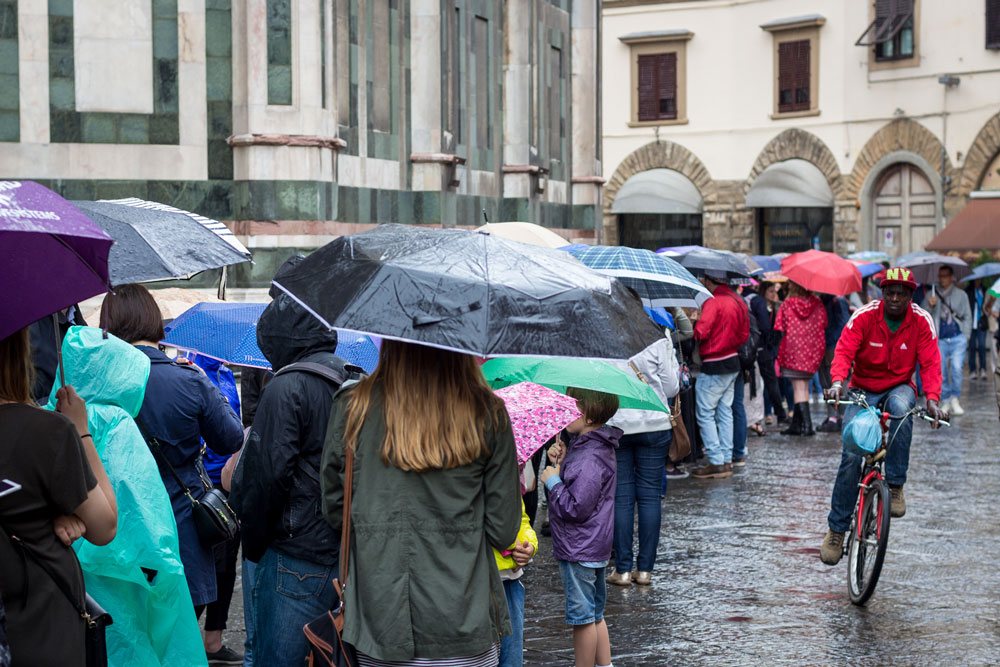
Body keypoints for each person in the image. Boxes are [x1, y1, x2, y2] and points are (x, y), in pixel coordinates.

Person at [321, 340, 521, 665]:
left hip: (380, 615)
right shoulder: (487, 412)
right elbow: (503, 528)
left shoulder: (353, 407)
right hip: (463, 614)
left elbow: (334, 508)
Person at [46, 327, 205, 666]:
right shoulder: (116, 423)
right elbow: (143, 513)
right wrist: (160, 575)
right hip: (121, 581)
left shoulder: (47, 419)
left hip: (59, 577)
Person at [230, 261, 357, 667]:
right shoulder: (351, 379)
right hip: (338, 554)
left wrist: (254, 544)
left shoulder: (286, 387)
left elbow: (267, 479)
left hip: (293, 557)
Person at [99, 285, 244, 622]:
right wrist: (207, 386)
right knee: (180, 637)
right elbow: (230, 438)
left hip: (119, 530)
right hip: (182, 531)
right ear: (154, 322)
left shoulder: (98, 383)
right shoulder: (188, 379)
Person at [0, 326, 118, 667]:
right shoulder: (48, 432)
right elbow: (104, 525)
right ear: (18, 351)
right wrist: (80, 428)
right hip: (41, 629)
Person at [820, 267, 944, 565]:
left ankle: (896, 484)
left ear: (911, 295)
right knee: (851, 453)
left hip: (900, 387)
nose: (896, 298)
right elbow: (844, 350)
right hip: (862, 389)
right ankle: (837, 530)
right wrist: (838, 382)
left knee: (902, 410)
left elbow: (930, 363)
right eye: (890, 292)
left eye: (902, 293)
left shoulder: (922, 321)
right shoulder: (864, 315)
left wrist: (933, 399)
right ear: (882, 293)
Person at [540, 388, 621, 667]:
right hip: (593, 545)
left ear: (587, 415)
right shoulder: (591, 447)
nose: (565, 411)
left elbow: (576, 507)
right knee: (596, 613)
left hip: (580, 548)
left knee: (582, 618)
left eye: (571, 405)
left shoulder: (588, 456)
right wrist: (560, 462)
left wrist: (553, 482)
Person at [606, 335, 679, 586]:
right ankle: (645, 569)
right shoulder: (657, 338)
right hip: (655, 422)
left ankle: (623, 569)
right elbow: (671, 388)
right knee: (650, 496)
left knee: (622, 496)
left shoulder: (604, 336)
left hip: (618, 424)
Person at [189, 355, 244, 666]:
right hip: (201, 482)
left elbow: (234, 423)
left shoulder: (224, 373)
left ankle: (214, 639)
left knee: (226, 565)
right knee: (204, 564)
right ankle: (185, 638)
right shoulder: (192, 373)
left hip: (226, 480)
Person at [690, 273, 749, 479]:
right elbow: (744, 334)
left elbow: (701, 332)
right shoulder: (737, 300)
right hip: (733, 360)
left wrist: (694, 321)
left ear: (707, 280)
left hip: (715, 361)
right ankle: (725, 459)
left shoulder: (713, 302)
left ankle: (716, 461)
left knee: (706, 412)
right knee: (725, 412)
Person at [774, 282, 827, 437]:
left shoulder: (788, 304)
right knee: (803, 386)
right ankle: (797, 425)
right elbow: (824, 323)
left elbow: (779, 326)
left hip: (792, 351)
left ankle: (806, 426)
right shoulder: (817, 303)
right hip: (812, 351)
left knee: (799, 388)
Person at [922, 266, 972, 415]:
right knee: (941, 370)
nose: (942, 279)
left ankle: (955, 398)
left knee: (957, 368)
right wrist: (930, 306)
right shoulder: (932, 294)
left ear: (951, 277)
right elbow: (923, 315)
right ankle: (945, 399)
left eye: (945, 275)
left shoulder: (961, 294)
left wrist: (966, 336)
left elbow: (968, 316)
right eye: (940, 276)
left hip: (958, 337)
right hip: (940, 339)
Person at [495, 499, 538, 667]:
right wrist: (514, 545)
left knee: (511, 658)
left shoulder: (508, 474)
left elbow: (520, 517)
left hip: (508, 580)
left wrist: (529, 546)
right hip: (476, 580)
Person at [816, 294, 851, 433]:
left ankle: (840, 417)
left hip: (835, 346)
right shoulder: (823, 301)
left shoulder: (838, 301)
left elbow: (844, 324)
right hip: (824, 345)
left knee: (838, 382)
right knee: (826, 383)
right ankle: (833, 417)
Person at [754, 281, 787, 425]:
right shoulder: (761, 304)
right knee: (770, 382)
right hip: (763, 349)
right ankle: (779, 414)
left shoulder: (772, 306)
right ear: (764, 292)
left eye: (775, 291)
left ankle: (777, 413)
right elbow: (766, 327)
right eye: (771, 291)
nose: (774, 294)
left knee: (770, 382)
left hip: (768, 349)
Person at [966, 279, 989, 380]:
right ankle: (972, 370)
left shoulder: (984, 291)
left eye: (979, 280)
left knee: (982, 346)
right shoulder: (968, 291)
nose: (978, 282)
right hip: (971, 323)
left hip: (981, 323)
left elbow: (987, 306)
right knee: (972, 347)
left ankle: (983, 369)